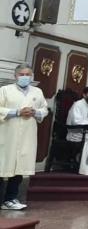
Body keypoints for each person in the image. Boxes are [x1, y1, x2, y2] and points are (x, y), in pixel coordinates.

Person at [0, 63, 49, 210]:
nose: (25, 77)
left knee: (20, 167)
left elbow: (44, 109)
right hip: (8, 133)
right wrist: (17, 112)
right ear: (15, 76)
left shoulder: (37, 91)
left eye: (28, 74)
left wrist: (35, 112)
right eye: (22, 74)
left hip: (27, 134)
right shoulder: (5, 90)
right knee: (3, 165)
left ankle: (10, 199)